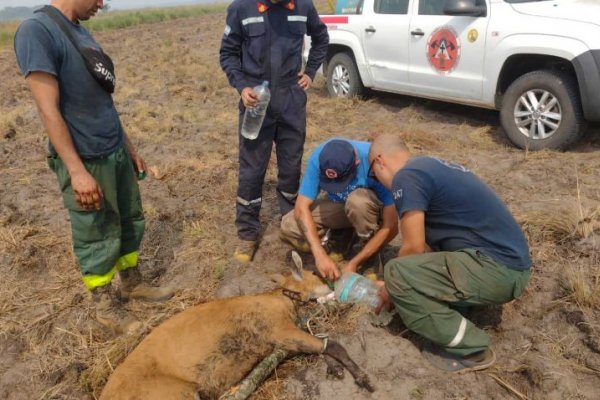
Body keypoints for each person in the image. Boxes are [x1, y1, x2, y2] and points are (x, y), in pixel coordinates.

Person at [14, 0, 173, 335]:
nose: (103, 3)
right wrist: (77, 171)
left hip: (113, 149)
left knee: (129, 218)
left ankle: (132, 282)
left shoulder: (81, 32)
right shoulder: (37, 31)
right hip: (85, 157)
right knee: (95, 231)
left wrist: (129, 148)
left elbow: (104, 100)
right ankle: (103, 304)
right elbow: (48, 110)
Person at [369, 134, 532, 371]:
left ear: (380, 161)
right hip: (510, 267)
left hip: (497, 270)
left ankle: (472, 349)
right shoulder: (430, 166)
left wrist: (390, 288)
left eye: (374, 176)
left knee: (397, 272)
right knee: (415, 268)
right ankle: (461, 308)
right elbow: (427, 247)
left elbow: (413, 247)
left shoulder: (407, 176)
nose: (379, 182)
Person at [219, 0, 329, 263]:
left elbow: (321, 37)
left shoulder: (303, 6)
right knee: (252, 168)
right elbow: (228, 53)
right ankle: (247, 233)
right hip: (256, 99)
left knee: (291, 164)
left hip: (291, 97)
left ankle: (290, 225)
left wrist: (311, 71)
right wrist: (242, 86)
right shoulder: (241, 9)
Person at [280, 138, 399, 281]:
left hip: (368, 210)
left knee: (358, 202)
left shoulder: (375, 163)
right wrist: (320, 255)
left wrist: (356, 262)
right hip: (341, 207)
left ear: (356, 163)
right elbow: (301, 208)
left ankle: (370, 253)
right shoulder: (320, 158)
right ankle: (343, 236)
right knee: (289, 225)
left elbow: (391, 226)